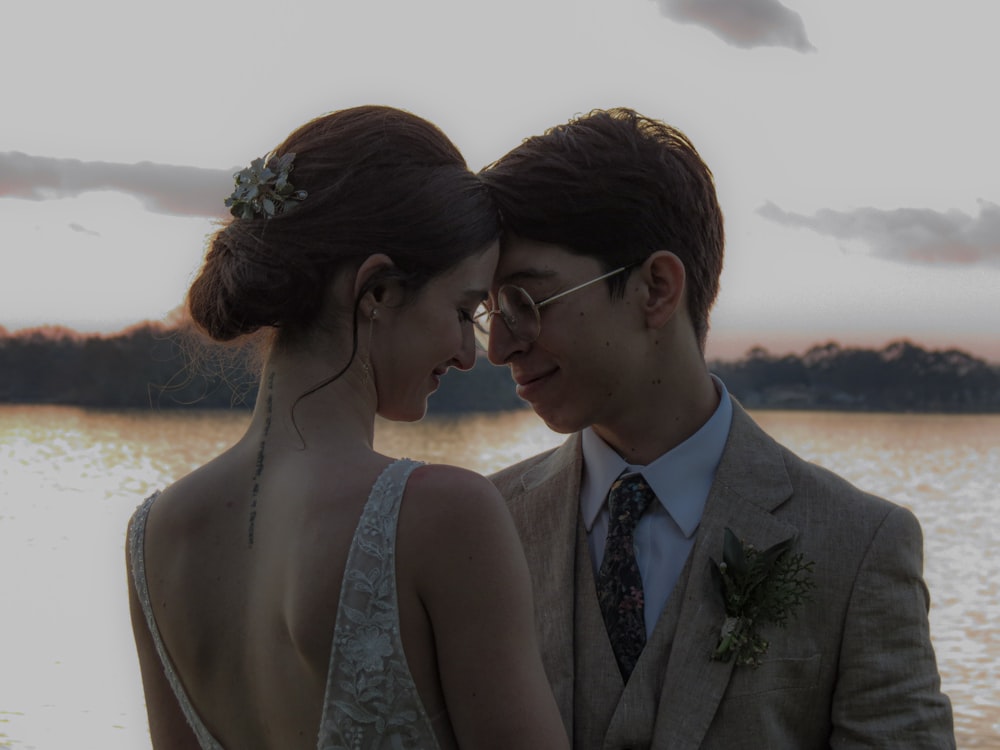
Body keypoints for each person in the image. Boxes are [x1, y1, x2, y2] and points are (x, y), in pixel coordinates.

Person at [475, 107, 955, 749]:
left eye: (526, 303)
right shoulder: (481, 528)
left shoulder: (861, 545)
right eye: (489, 309)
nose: (499, 346)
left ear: (656, 289)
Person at [125, 105, 568, 750]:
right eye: (464, 309)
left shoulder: (156, 535)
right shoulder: (442, 515)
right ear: (378, 291)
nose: (472, 353)